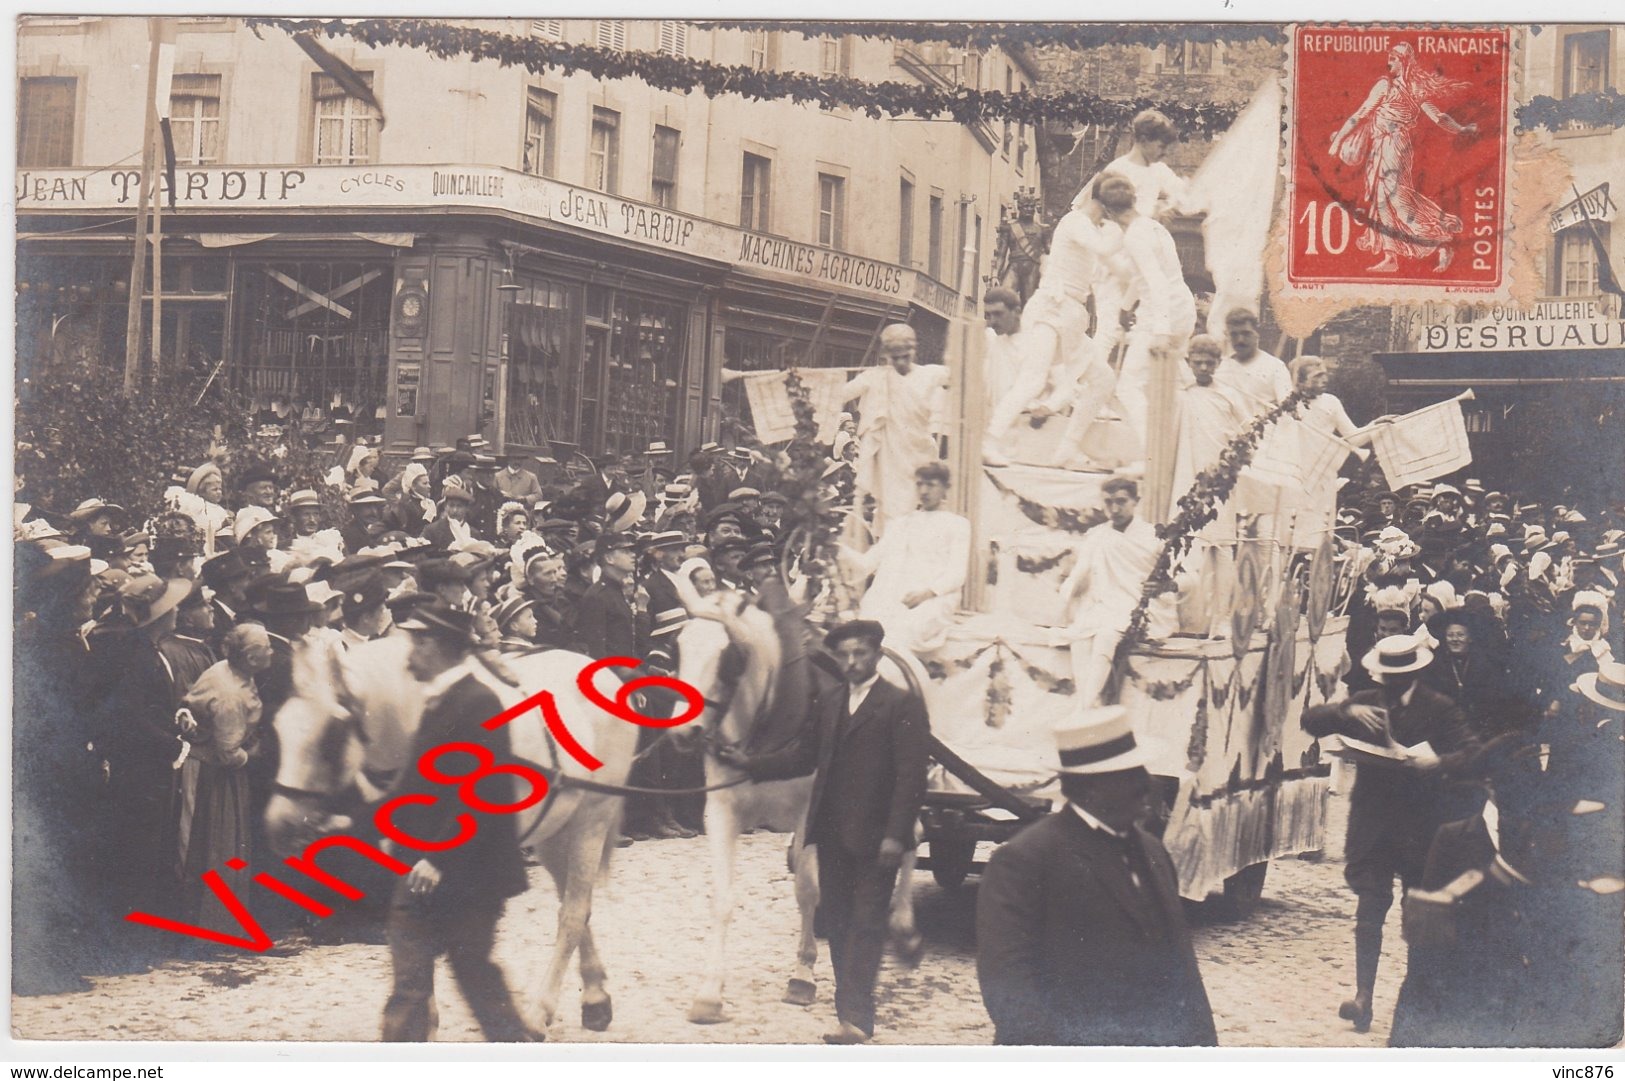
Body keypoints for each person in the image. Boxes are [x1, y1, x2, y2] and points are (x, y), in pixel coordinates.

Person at [721, 619, 929, 1044]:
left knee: (867, 923)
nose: (853, 663)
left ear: (877, 655)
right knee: (836, 921)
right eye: (845, 655)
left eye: (861, 654)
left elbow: (911, 779)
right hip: (832, 832)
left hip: (877, 838)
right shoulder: (831, 701)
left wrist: (896, 834)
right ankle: (847, 1010)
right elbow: (803, 756)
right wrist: (749, 764)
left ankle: (856, 1019)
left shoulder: (900, 704)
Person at [976, 706, 1216, 1046]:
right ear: (1090, 789)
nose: (1146, 785)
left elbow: (1182, 969)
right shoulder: (1025, 859)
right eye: (1129, 774)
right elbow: (1009, 987)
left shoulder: (1153, 852)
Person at [1301, 633, 1483, 1033]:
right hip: (1374, 824)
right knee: (1369, 907)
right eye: (1386, 677)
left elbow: (1472, 752)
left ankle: (1415, 995)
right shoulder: (1366, 699)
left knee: (1415, 910)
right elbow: (1310, 721)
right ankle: (1363, 996)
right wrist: (1346, 712)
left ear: (1415, 674)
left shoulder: (1439, 707)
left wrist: (1438, 760)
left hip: (1420, 825)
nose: (1390, 685)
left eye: (1398, 678)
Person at [380, 604, 537, 1043]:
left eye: (417, 641)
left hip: (470, 876)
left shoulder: (478, 701)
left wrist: (438, 856)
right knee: (410, 989)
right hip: (419, 872)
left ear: (438, 646)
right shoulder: (438, 700)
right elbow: (413, 784)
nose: (410, 651)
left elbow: (484, 793)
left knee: (476, 980)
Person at [985, 190, 1124, 467]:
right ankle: (989, 440)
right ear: (1104, 202)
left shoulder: (1095, 229)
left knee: (1103, 379)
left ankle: (1067, 449)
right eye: (1117, 207)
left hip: (1070, 315)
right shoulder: (1076, 221)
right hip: (1051, 309)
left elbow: (1110, 267)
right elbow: (1104, 248)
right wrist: (1124, 229)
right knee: (1033, 379)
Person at [1328, 42, 1478, 274]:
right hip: (1381, 146)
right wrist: (1339, 140)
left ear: (1404, 61)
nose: (1389, 64)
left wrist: (1462, 129)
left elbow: (1438, 117)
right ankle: (1391, 257)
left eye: (1393, 59)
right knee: (1381, 201)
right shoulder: (1389, 86)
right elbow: (1362, 113)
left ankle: (1441, 241)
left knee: (1397, 200)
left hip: (1395, 146)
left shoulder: (1406, 88)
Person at [175, 624, 271, 936]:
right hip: (214, 776)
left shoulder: (228, 669)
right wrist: (254, 754)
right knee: (219, 845)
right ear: (250, 657)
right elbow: (227, 752)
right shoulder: (230, 692)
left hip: (210, 765)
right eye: (265, 648)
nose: (271, 652)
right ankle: (216, 924)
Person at [1098, 171, 1196, 450]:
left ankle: (1151, 454)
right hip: (1181, 306)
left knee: (1128, 386)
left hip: (1161, 314)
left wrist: (1161, 331)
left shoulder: (1134, 238)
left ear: (1107, 210)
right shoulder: (1154, 227)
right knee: (1179, 381)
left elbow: (1156, 282)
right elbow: (1142, 277)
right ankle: (1188, 441)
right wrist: (1125, 308)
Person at [1060, 476, 1178, 706]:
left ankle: (1083, 710)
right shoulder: (1097, 535)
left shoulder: (1154, 536)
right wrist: (1067, 595)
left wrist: (1165, 585)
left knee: (1106, 634)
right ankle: (1089, 705)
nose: (1114, 509)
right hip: (1103, 605)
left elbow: (1187, 578)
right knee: (1081, 638)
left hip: (1139, 608)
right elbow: (1077, 575)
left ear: (1136, 501)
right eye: (1108, 502)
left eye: (1121, 501)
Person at [846, 462, 970, 655]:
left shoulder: (957, 525)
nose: (924, 490)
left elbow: (956, 574)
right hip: (891, 596)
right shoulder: (899, 524)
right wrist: (836, 549)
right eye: (920, 484)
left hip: (932, 598)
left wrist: (926, 593)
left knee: (904, 631)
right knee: (867, 633)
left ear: (946, 488)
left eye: (931, 485)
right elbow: (868, 563)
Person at [841, 324, 949, 537]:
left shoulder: (931, 374)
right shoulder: (875, 377)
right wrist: (799, 384)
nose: (900, 362)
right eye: (895, 357)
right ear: (886, 355)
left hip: (921, 455)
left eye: (905, 356)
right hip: (890, 457)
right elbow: (842, 393)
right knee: (892, 513)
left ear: (914, 351)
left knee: (922, 509)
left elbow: (964, 376)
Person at [1097, 108, 1191, 220]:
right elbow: (1112, 216)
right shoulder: (1118, 170)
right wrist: (1154, 214)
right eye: (1161, 146)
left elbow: (1180, 191)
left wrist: (1185, 190)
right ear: (1143, 140)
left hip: (1148, 233)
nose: (1165, 153)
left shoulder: (1159, 169)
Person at [1214, 308, 1291, 420]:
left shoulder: (1275, 367)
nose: (1240, 340)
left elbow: (1287, 409)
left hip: (1262, 434)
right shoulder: (1221, 368)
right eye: (1234, 334)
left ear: (1257, 333)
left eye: (1246, 334)